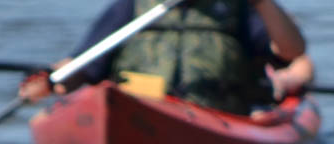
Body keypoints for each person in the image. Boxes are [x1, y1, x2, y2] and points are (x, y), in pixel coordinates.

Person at [22, 0, 315, 115]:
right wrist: (50, 78)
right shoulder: (131, 8)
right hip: (140, 112)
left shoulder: (239, 9)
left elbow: (293, 53)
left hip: (215, 115)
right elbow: (82, 65)